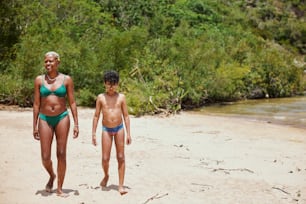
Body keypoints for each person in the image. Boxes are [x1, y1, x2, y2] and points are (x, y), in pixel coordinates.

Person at [33, 51, 79, 197]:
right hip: (44, 118)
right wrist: (34, 125)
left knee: (61, 153)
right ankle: (52, 175)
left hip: (62, 117)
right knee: (45, 156)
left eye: (51, 61)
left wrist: (76, 124)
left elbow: (72, 102)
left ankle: (59, 188)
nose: (48, 64)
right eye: (46, 61)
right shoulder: (39, 80)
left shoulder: (66, 80)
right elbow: (36, 104)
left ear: (58, 62)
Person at [92, 70, 131, 195]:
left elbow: (126, 116)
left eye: (114, 84)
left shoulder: (121, 97)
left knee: (120, 157)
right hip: (106, 130)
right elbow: (96, 116)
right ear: (104, 83)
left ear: (118, 84)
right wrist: (93, 133)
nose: (111, 87)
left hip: (119, 128)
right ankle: (106, 175)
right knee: (105, 158)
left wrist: (129, 133)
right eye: (109, 84)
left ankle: (120, 185)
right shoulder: (100, 97)